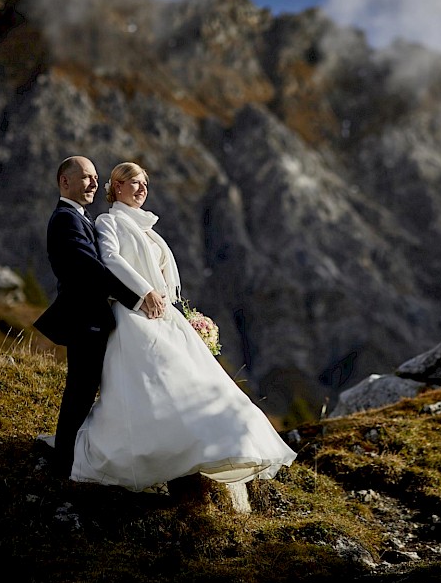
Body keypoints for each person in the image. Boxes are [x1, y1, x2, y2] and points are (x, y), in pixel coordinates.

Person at [67, 161, 296, 493]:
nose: (142, 188)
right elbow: (111, 259)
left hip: (162, 314)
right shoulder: (109, 220)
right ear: (116, 187)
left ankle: (215, 447)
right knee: (156, 383)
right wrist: (143, 291)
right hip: (134, 313)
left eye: (145, 182)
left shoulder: (148, 229)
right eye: (134, 182)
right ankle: (153, 454)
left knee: (195, 382)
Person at [33, 155, 166, 479]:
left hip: (93, 319)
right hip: (83, 320)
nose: (95, 183)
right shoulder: (65, 219)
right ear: (65, 182)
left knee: (86, 390)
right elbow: (91, 271)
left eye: (95, 178)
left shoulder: (81, 217)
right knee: (79, 391)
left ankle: (71, 456)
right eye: (87, 177)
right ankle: (64, 463)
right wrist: (136, 298)